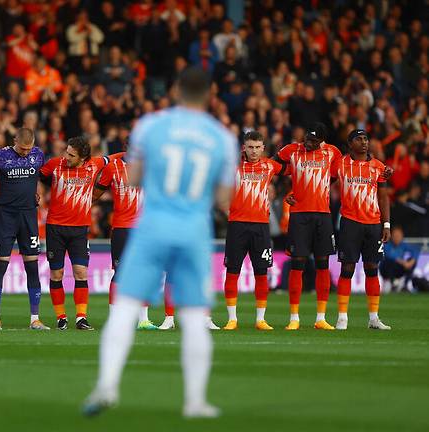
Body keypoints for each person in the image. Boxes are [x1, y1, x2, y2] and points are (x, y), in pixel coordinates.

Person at [83, 66, 237, 418]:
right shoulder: (221, 138)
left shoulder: (150, 126)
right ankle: (195, 401)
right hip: (193, 230)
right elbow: (224, 198)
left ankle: (107, 385)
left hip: (151, 225)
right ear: (210, 93)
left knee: (125, 308)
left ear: (176, 89)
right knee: (196, 317)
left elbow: (134, 178)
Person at [274, 122, 341, 330]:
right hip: (299, 215)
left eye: (313, 141)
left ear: (322, 141)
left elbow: (335, 174)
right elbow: (273, 167)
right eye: (306, 139)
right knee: (297, 264)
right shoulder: (291, 150)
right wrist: (288, 191)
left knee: (322, 265)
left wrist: (319, 188)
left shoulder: (333, 153)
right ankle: (294, 318)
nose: (308, 143)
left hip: (323, 215)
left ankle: (320, 318)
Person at [40, 136, 111, 330]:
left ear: (83, 158)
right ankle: (61, 317)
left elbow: (112, 158)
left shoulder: (94, 165)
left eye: (71, 155)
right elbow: (34, 176)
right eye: (66, 152)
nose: (66, 157)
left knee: (81, 273)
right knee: (57, 273)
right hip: (55, 227)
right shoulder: (55, 165)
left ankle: (81, 317)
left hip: (80, 229)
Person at [222, 130, 286, 331]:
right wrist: (228, 211)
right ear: (244, 148)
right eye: (250, 147)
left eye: (258, 147)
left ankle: (260, 320)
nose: (254, 151)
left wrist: (293, 196)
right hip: (237, 226)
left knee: (261, 272)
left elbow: (296, 168)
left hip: (261, 226)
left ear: (263, 148)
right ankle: (232, 319)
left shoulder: (270, 166)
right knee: (233, 272)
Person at [0, 127, 49, 331]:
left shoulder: (38, 155)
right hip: (6, 216)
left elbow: (39, 178)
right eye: (22, 149)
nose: (25, 153)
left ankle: (35, 318)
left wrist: (35, 191)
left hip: (29, 217)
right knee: (1, 265)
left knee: (32, 267)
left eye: (28, 149)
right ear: (15, 140)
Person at [93, 146, 158, 330]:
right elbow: (96, 194)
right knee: (120, 273)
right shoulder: (112, 167)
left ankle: (143, 320)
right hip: (122, 228)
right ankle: (114, 319)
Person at [333, 129, 391, 330]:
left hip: (373, 224)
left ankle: (374, 318)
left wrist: (386, 224)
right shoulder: (340, 164)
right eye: (359, 139)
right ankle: (342, 318)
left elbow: (383, 198)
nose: (364, 142)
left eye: (366, 138)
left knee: (372, 269)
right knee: (347, 269)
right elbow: (325, 179)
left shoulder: (378, 167)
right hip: (350, 222)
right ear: (350, 144)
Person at [380, 226, 419, 292]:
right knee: (389, 262)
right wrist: (403, 262)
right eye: (395, 236)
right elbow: (389, 256)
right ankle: (392, 284)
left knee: (412, 262)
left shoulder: (403, 245)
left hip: (398, 269)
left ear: (402, 236)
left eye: (398, 236)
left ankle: (404, 285)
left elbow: (415, 251)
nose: (397, 238)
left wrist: (412, 261)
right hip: (386, 270)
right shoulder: (386, 245)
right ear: (391, 236)